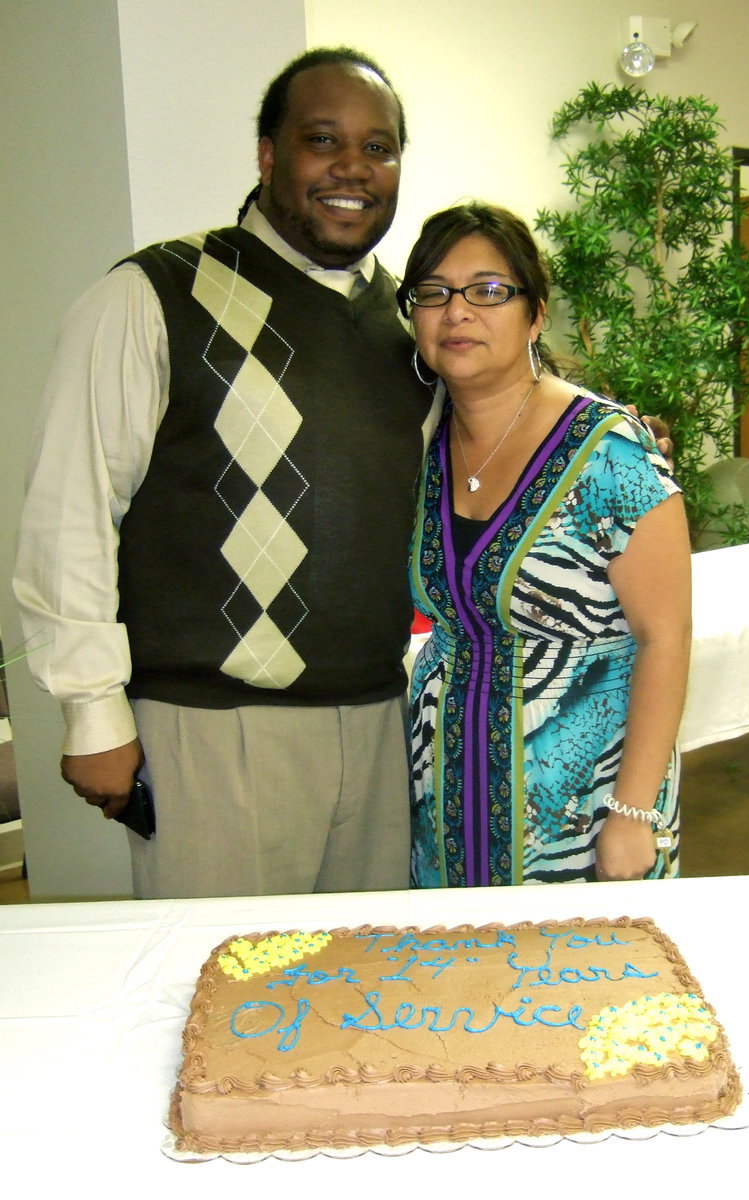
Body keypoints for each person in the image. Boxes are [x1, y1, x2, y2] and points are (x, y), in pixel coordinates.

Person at [13, 47, 439, 898]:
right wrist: (91, 711)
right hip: (212, 730)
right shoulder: (153, 295)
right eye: (323, 140)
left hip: (379, 721)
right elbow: (71, 507)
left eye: (379, 147)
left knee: (361, 995)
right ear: (268, 154)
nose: (353, 167)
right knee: (214, 992)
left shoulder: (411, 328)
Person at [397, 202, 692, 887]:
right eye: (434, 294)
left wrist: (632, 813)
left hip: (584, 817)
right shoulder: (421, 444)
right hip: (444, 806)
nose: (458, 312)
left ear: (535, 314)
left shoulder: (610, 452)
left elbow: (666, 637)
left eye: (489, 291)